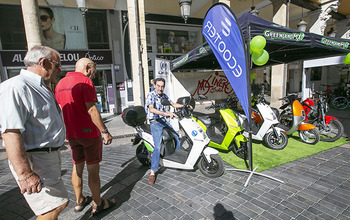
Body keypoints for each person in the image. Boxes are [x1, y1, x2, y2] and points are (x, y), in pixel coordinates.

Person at [0, 45, 69, 219]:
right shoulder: (17, 87)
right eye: (57, 66)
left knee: (57, 204)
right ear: (44, 62)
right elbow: (10, 132)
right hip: (35, 160)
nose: (58, 71)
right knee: (52, 207)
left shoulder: (40, 86)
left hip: (47, 157)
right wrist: (25, 174)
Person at [55, 58, 115, 215]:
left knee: (77, 166)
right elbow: (92, 110)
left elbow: (62, 110)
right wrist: (104, 131)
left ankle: (79, 200)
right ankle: (98, 203)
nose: (93, 74)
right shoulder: (86, 82)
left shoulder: (60, 84)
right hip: (89, 134)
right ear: (88, 68)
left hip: (72, 134)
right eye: (93, 70)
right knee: (93, 170)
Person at [145, 78, 184, 185]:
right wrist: (166, 114)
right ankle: (153, 172)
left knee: (177, 135)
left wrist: (185, 106)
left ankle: (177, 158)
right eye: (158, 86)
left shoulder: (164, 96)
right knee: (157, 146)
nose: (160, 88)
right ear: (155, 85)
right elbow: (151, 109)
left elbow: (173, 104)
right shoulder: (151, 95)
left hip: (163, 120)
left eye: (162, 86)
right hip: (155, 122)